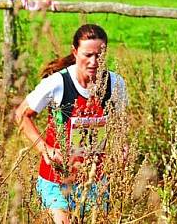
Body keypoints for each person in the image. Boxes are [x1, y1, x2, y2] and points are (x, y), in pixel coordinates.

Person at [14, 24, 127, 224]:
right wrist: (44, 149)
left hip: (95, 179)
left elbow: (120, 125)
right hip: (57, 179)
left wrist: (122, 148)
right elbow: (21, 115)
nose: (94, 61)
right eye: (88, 55)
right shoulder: (58, 83)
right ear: (75, 52)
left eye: (99, 55)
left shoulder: (115, 84)